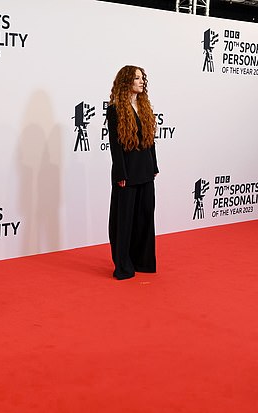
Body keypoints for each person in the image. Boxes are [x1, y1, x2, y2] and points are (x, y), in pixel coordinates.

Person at [106, 65, 158, 280]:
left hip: (146, 171)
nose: (141, 81)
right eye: (137, 78)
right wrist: (120, 175)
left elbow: (150, 141)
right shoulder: (115, 109)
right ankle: (124, 265)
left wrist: (154, 166)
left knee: (145, 217)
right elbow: (115, 146)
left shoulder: (144, 107)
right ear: (126, 81)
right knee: (124, 221)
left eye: (142, 78)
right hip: (127, 174)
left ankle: (142, 262)